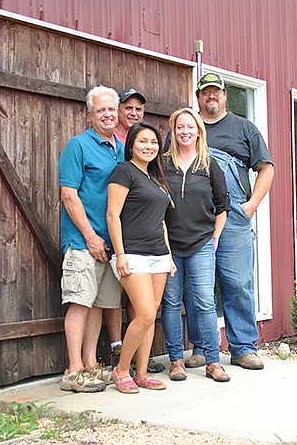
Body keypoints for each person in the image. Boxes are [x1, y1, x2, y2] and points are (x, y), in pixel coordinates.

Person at [186, 72, 275, 371]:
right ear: (198, 97)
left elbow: (267, 169)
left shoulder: (244, 128)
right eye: (205, 92)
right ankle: (202, 347)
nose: (211, 96)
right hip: (196, 218)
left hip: (235, 215)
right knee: (199, 285)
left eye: (216, 92)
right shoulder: (189, 128)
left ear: (225, 96)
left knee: (238, 283)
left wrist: (250, 206)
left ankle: (243, 347)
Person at [58, 85, 122, 392]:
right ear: (89, 114)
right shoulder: (78, 146)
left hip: (111, 246)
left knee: (99, 304)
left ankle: (90, 364)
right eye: (101, 110)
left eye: (112, 109)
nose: (108, 114)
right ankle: (73, 371)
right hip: (84, 243)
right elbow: (69, 196)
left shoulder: (122, 147)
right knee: (80, 303)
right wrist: (90, 236)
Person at [162, 108, 231, 383]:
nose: (185, 132)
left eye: (190, 127)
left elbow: (222, 204)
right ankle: (176, 360)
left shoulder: (209, 164)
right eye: (180, 127)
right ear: (174, 130)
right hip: (169, 245)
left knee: (204, 302)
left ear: (198, 131)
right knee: (170, 303)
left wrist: (215, 235)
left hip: (202, 243)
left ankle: (213, 362)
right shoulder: (163, 163)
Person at [106, 121, 175, 394]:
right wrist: (119, 253)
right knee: (145, 313)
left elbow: (161, 221)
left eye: (154, 142)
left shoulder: (156, 178)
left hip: (158, 254)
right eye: (143, 141)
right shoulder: (123, 172)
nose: (150, 146)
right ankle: (122, 370)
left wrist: (168, 255)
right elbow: (113, 215)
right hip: (132, 253)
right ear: (132, 145)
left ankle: (143, 373)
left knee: (150, 316)